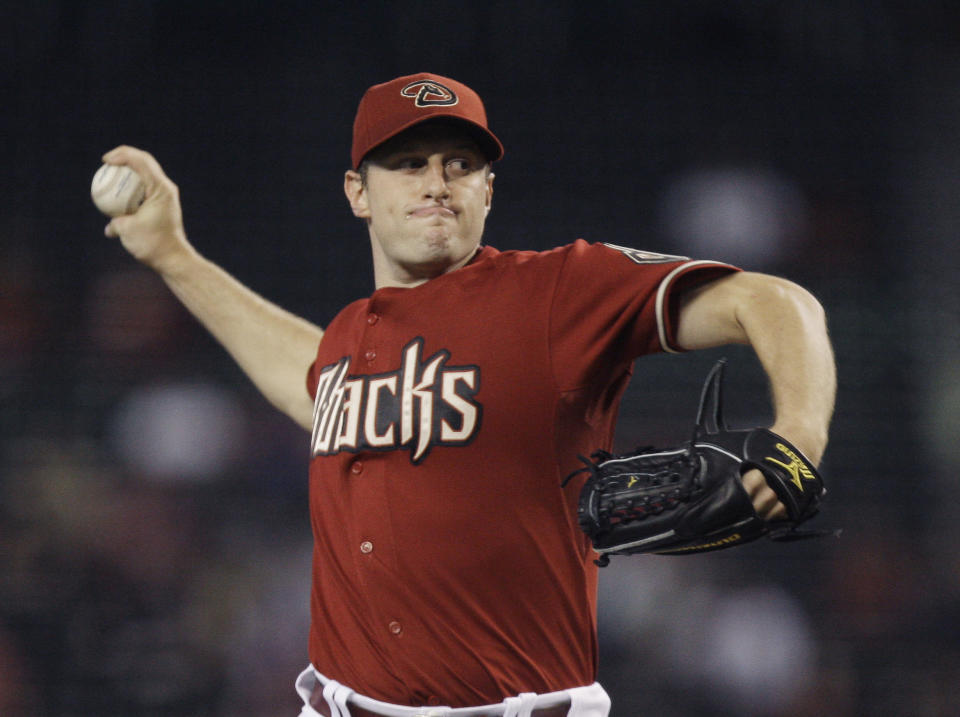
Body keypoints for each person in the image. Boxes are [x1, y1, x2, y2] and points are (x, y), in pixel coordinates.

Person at [100, 73, 836, 717]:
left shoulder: (556, 291)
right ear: (358, 192)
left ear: (488, 189)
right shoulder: (353, 336)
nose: (436, 182)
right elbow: (311, 379)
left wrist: (799, 435)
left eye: (461, 164)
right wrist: (173, 256)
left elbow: (775, 303)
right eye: (408, 163)